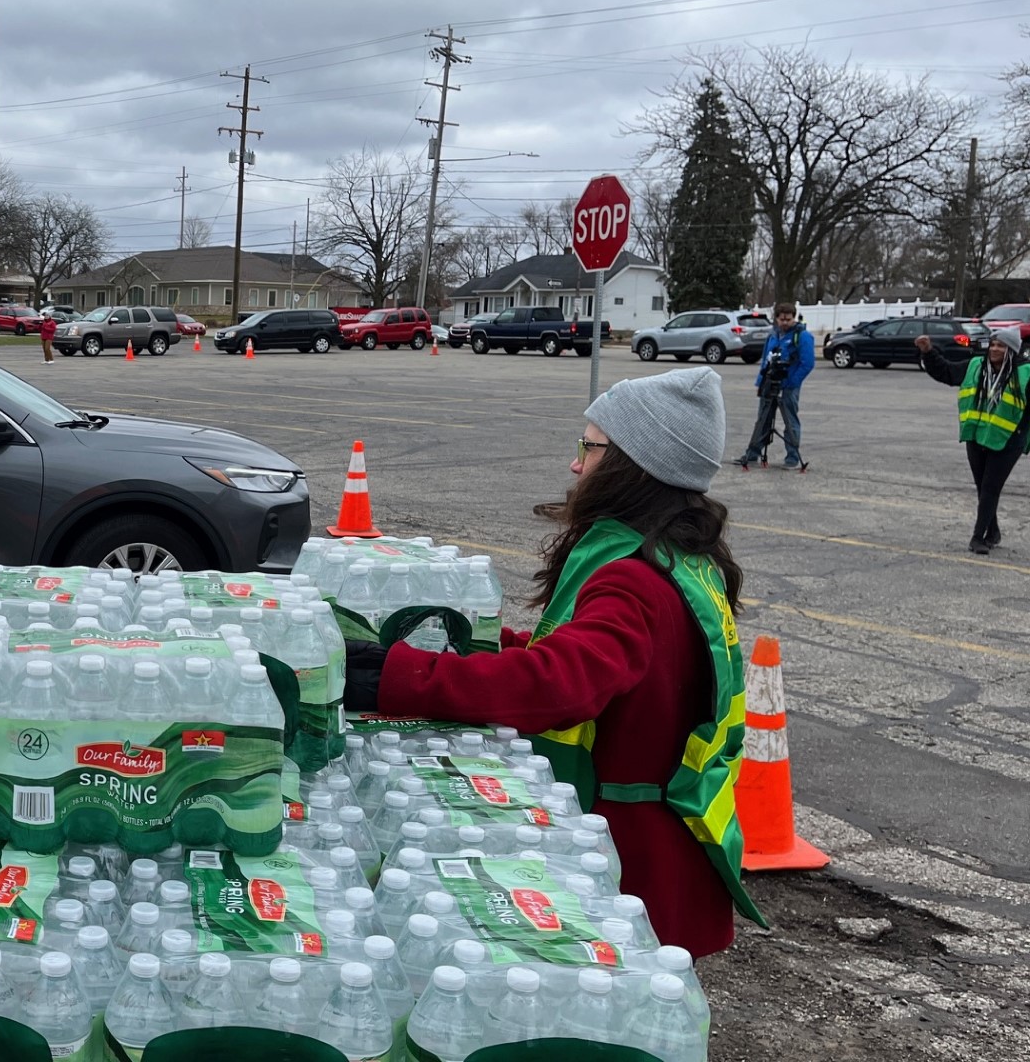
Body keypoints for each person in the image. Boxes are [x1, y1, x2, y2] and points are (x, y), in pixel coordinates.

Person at [342, 368, 763, 957]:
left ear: (632, 465)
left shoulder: (631, 579)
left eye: (589, 447)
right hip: (669, 840)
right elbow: (584, 656)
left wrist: (398, 676)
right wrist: (480, 647)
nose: (575, 465)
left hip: (632, 860)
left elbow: (559, 686)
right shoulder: (685, 560)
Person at [915, 327, 1029, 554]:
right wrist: (928, 352)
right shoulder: (976, 366)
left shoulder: (1025, 373)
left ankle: (978, 538)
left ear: (1012, 350)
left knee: (990, 487)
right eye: (993, 344)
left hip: (1007, 440)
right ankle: (993, 532)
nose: (995, 349)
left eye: (1001, 345)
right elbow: (946, 372)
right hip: (977, 436)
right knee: (983, 488)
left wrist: (1022, 435)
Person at [733, 301, 814, 469]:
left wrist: (792, 382)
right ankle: (753, 453)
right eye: (782, 319)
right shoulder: (773, 335)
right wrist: (760, 382)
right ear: (776, 318)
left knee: (790, 420)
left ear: (794, 318)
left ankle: (792, 456)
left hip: (789, 386)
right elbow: (765, 360)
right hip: (769, 383)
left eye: (788, 319)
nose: (785, 323)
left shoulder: (803, 336)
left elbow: (807, 363)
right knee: (763, 419)